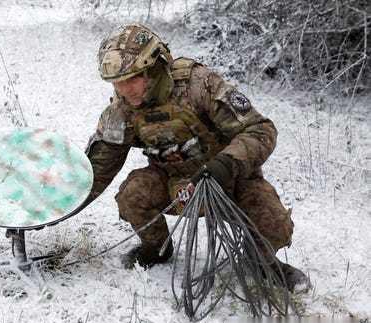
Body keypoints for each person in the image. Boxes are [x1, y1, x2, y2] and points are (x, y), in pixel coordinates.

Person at [82, 23, 309, 292]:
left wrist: (225, 165)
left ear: (153, 68)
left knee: (274, 222)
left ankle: (262, 263)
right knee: (133, 194)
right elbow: (98, 169)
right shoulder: (121, 110)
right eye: (117, 83)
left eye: (132, 79)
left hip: (229, 181)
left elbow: (260, 129)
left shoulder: (198, 85)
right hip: (175, 186)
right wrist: (52, 209)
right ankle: (156, 249)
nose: (124, 90)